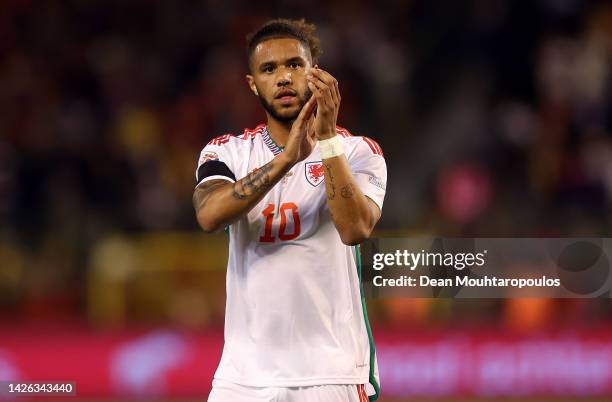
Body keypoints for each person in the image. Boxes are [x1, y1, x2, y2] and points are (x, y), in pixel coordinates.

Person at [193, 18, 386, 402]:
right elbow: (210, 215)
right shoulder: (226, 152)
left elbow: (354, 229)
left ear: (316, 73)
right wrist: (285, 161)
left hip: (332, 372)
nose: (283, 77)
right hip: (242, 379)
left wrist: (326, 138)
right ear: (253, 84)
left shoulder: (359, 151)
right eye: (269, 69)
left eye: (294, 65)